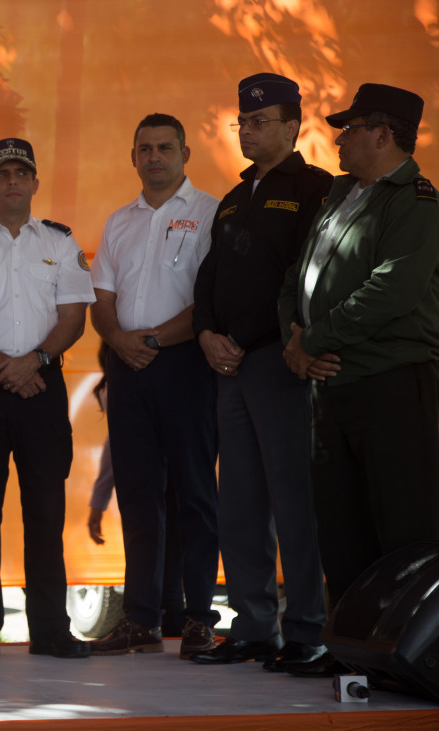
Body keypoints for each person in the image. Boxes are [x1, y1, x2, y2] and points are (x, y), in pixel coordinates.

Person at [277, 82, 439, 678]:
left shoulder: (416, 201)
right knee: (340, 527)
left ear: (383, 134)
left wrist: (313, 340)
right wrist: (296, 343)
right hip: (331, 386)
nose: (340, 139)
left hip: (392, 383)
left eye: (350, 129)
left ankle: (408, 657)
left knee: (402, 527)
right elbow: (296, 279)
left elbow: (393, 288)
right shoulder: (341, 193)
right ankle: (349, 653)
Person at [189, 74, 331, 670]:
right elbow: (208, 277)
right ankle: (252, 626)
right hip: (228, 365)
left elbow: (308, 275)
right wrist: (205, 333)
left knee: (294, 500)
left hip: (280, 360)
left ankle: (307, 630)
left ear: (292, 126)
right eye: (242, 121)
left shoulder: (316, 188)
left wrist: (257, 339)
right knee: (240, 502)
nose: (247, 130)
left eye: (259, 121)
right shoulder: (232, 196)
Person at [0, 138, 94, 660]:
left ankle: (50, 628)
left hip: (41, 387)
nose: (12, 181)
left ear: (34, 183)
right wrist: (8, 367)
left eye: (20, 173)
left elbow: (73, 316)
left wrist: (36, 361)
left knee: (46, 514)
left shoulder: (61, 242)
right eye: (1, 174)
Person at [88, 113, 221, 659]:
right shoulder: (119, 221)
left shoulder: (211, 212)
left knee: (195, 492)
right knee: (138, 494)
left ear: (185, 154)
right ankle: (141, 619)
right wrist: (120, 340)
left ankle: (198, 619)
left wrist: (154, 340)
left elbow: (210, 299)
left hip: (185, 363)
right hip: (127, 365)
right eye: (145, 148)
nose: (155, 157)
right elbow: (101, 298)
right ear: (133, 157)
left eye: (166, 147)